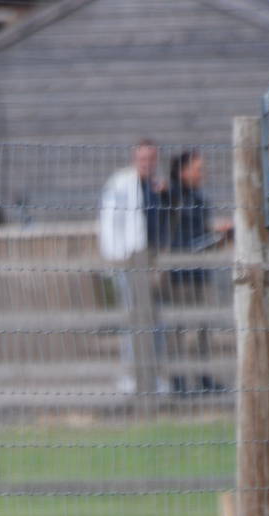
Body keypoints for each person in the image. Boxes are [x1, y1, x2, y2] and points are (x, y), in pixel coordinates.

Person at [161, 149, 232, 392]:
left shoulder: (200, 199)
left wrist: (219, 236)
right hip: (179, 275)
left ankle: (204, 377)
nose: (202, 173)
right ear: (182, 171)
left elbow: (200, 233)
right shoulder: (170, 196)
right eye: (198, 168)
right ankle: (179, 380)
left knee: (203, 328)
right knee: (180, 329)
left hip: (201, 271)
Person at [99, 140, 167, 393]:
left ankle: (154, 376)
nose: (147, 163)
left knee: (154, 320)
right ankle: (131, 375)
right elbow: (108, 222)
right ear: (134, 158)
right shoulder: (121, 183)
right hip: (127, 260)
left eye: (151, 158)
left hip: (151, 262)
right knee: (132, 320)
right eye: (142, 158)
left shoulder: (157, 186)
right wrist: (114, 259)